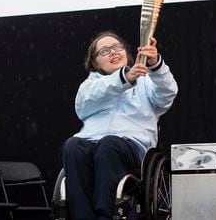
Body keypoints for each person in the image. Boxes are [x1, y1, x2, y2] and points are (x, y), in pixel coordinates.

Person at [61, 30, 178, 220]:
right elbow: (85, 103)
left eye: (117, 48)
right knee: (72, 146)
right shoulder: (90, 86)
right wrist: (125, 79)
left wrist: (155, 64)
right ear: (94, 62)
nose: (114, 52)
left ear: (126, 53)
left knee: (109, 145)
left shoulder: (146, 82)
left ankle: (106, 216)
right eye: (105, 51)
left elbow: (167, 94)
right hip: (90, 143)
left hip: (129, 146)